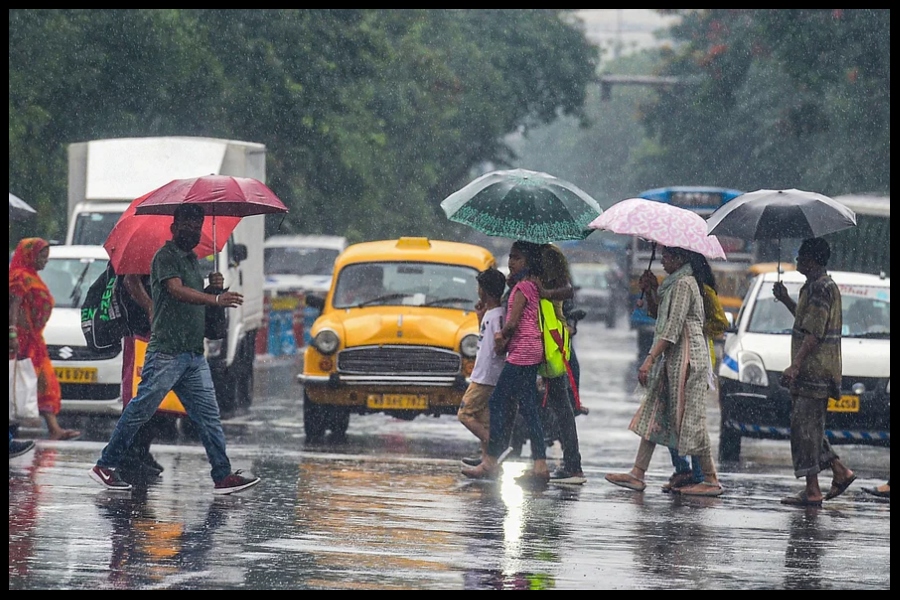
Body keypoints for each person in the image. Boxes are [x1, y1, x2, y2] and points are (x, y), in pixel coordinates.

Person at [89, 204, 260, 495]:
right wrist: (214, 301)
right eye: (187, 225)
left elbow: (191, 298)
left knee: (208, 417)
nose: (192, 230)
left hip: (193, 355)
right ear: (174, 226)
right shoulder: (164, 257)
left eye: (197, 225)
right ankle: (105, 464)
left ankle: (222, 475)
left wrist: (212, 288)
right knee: (142, 408)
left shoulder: (192, 260)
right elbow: (175, 290)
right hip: (167, 352)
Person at [605, 245, 724, 497]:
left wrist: (649, 359)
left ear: (680, 258)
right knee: (656, 412)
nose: (662, 260)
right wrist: (650, 291)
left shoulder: (684, 284)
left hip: (689, 361)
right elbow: (659, 314)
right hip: (673, 361)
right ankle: (638, 472)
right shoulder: (674, 283)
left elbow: (672, 329)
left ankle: (710, 479)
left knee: (691, 419)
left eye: (667, 256)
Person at [773, 237, 856, 507]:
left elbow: (814, 334)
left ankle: (812, 490)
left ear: (813, 260)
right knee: (809, 427)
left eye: (801, 256)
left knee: (804, 429)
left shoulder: (821, 288)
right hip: (812, 370)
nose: (797, 260)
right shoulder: (813, 287)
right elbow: (806, 320)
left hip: (815, 371)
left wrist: (796, 364)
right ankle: (839, 472)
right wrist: (786, 299)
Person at [461, 240, 550, 485]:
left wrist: (502, 336)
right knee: (529, 408)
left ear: (528, 262)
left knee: (499, 401)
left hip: (522, 352)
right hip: (531, 350)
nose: (511, 262)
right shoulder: (531, 285)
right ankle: (539, 463)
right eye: (510, 257)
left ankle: (491, 458)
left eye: (517, 258)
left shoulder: (522, 289)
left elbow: (512, 323)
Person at [9, 238, 82, 441]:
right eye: (42, 256)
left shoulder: (32, 277)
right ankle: (14, 434)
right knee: (17, 384)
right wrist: (12, 333)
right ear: (30, 255)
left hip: (34, 341)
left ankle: (53, 428)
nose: (46, 261)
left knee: (42, 382)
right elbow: (13, 306)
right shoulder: (19, 277)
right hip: (20, 341)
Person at [537, 243, 585, 485]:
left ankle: (568, 464)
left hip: (549, 346)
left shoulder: (547, 260)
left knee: (563, 404)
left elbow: (566, 291)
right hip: (539, 346)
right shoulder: (527, 271)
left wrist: (544, 292)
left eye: (515, 257)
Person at [457, 267, 507, 467]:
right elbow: (485, 339)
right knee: (483, 418)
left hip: (485, 376)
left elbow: (498, 345)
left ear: (484, 290)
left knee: (465, 414)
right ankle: (488, 461)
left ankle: (496, 446)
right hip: (485, 373)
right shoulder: (492, 313)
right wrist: (480, 317)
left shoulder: (497, 316)